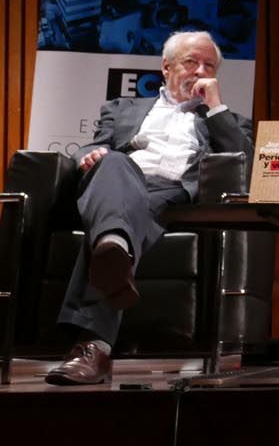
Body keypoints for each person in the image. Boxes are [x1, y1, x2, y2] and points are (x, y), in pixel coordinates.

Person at [45, 30, 254, 385]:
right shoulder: (121, 108)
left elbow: (244, 163)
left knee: (115, 213)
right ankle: (114, 248)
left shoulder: (227, 120)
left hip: (173, 194)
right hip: (120, 181)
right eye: (191, 62)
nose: (200, 72)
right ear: (166, 67)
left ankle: (110, 256)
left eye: (209, 66)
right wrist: (90, 156)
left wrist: (216, 107)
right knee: (112, 164)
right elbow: (91, 147)